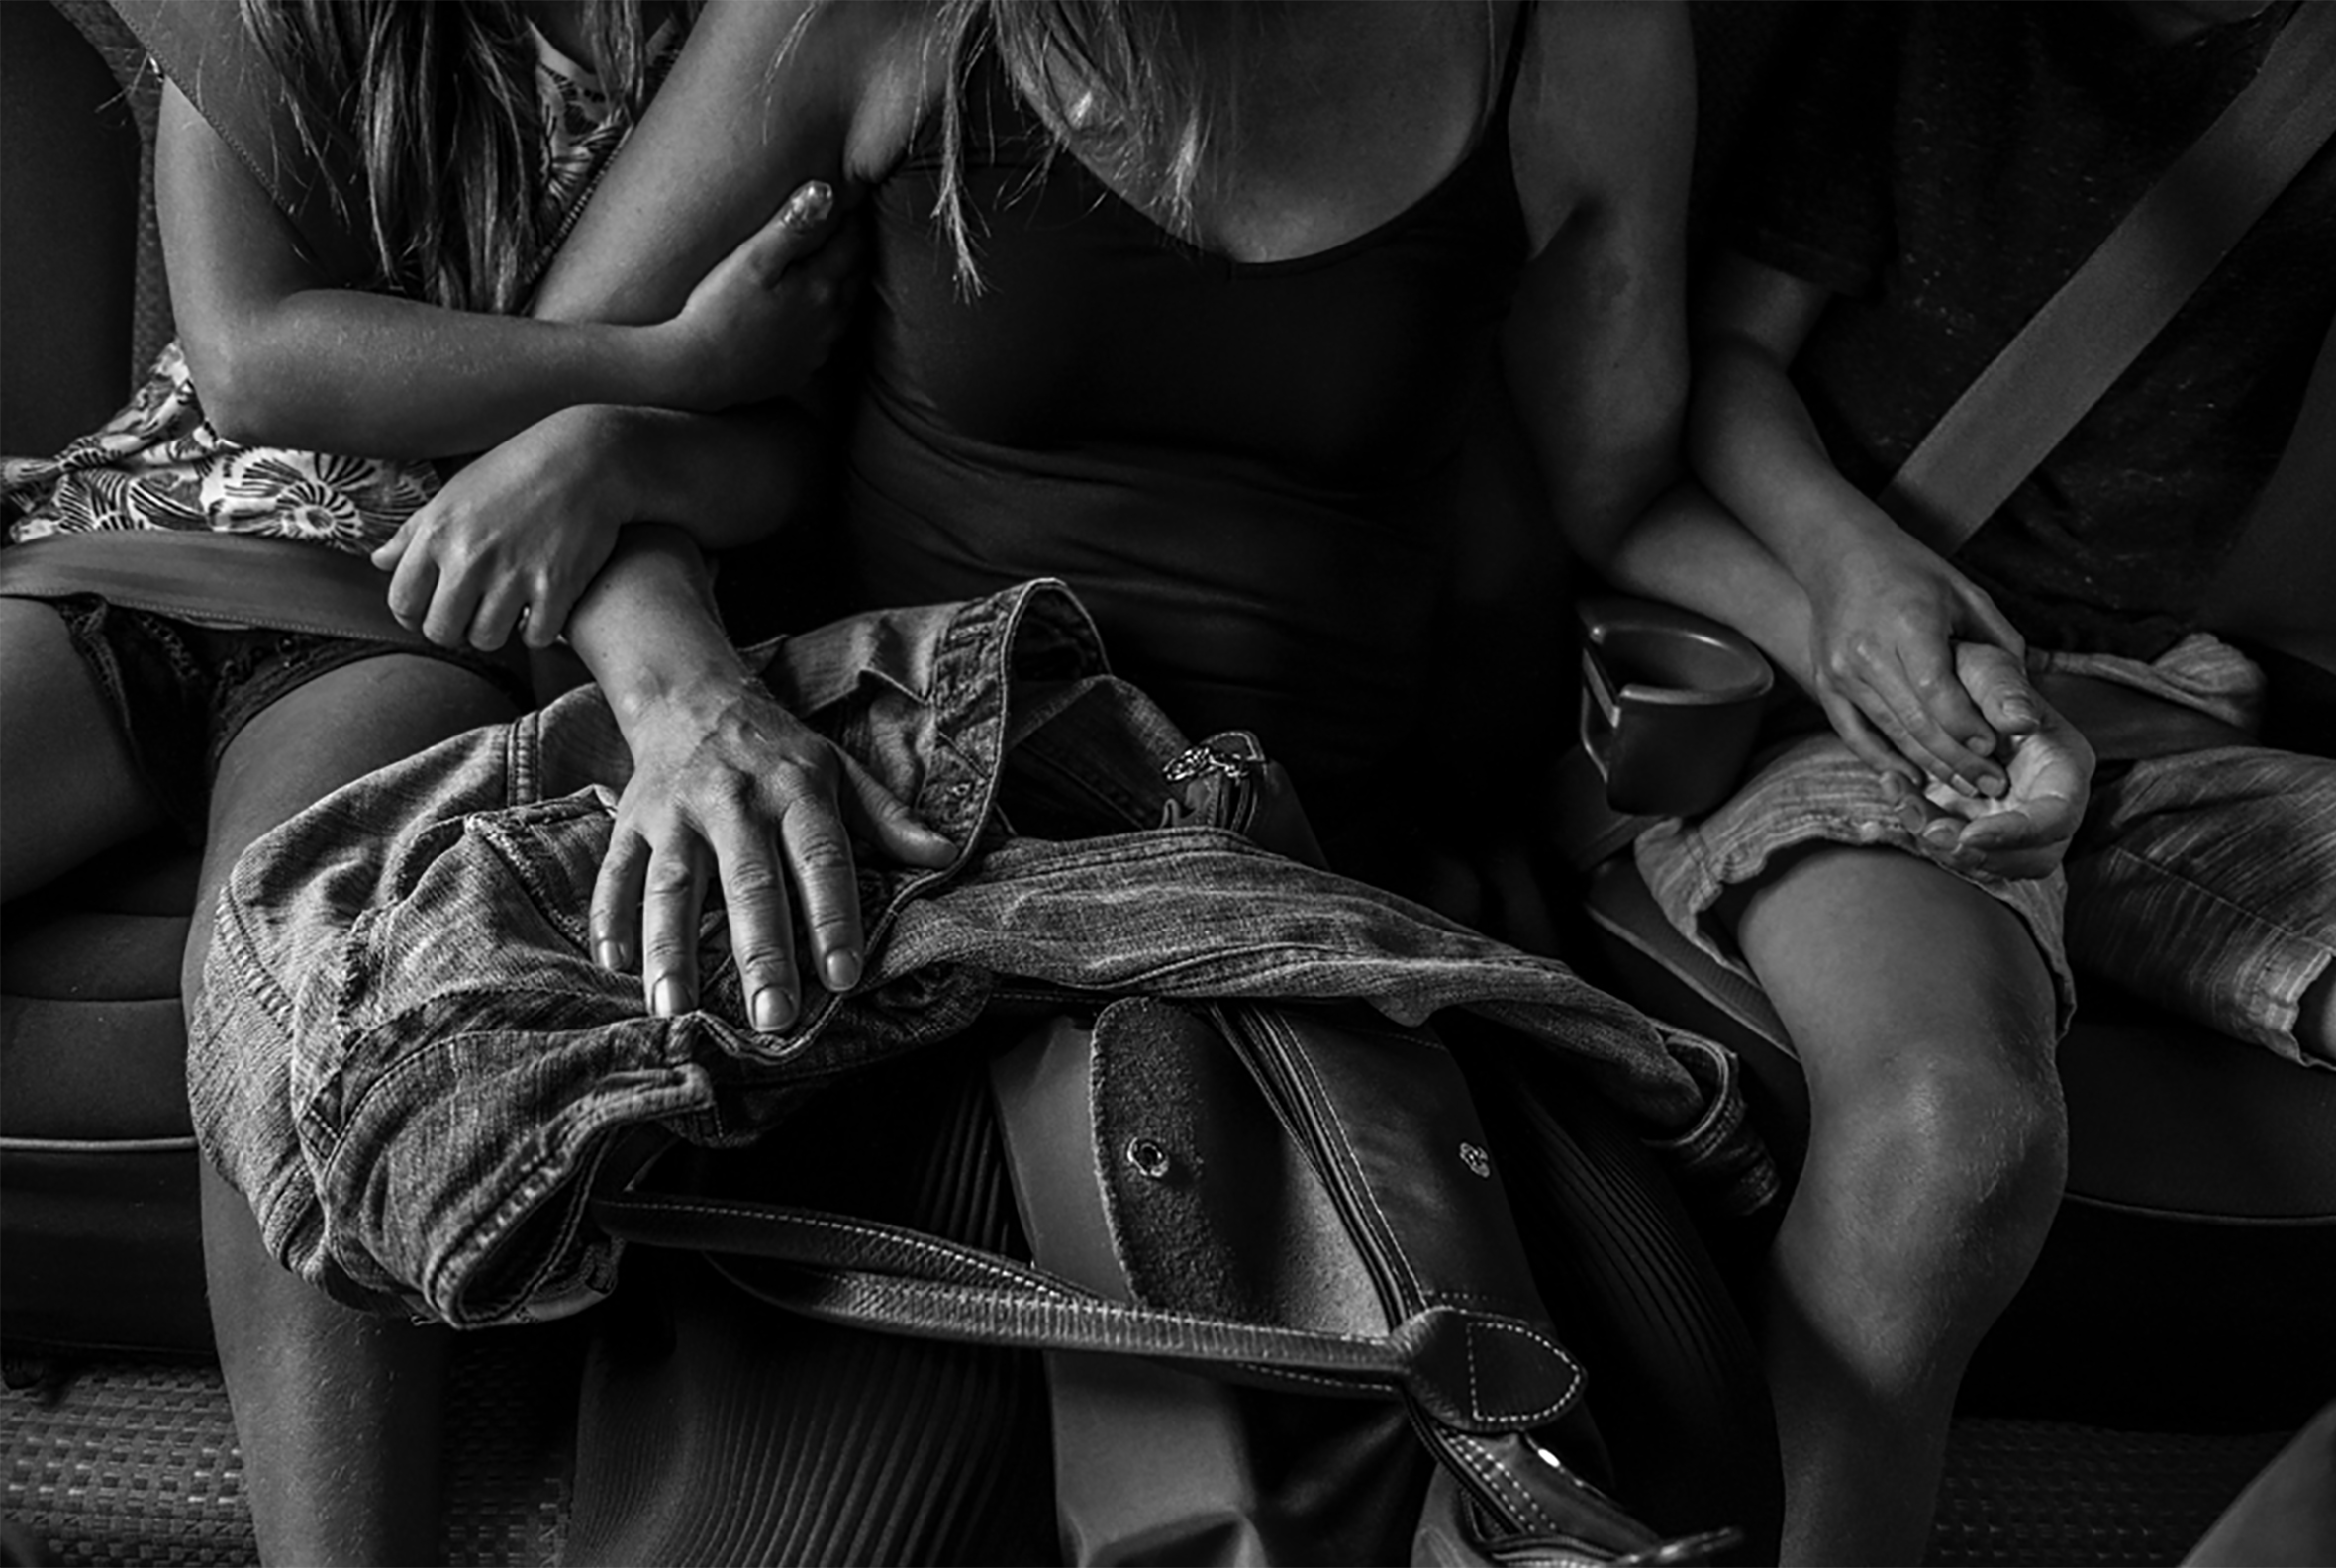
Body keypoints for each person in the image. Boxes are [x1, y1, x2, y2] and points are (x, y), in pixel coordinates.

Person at [321, 0, 1797, 1557]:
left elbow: (1623, 485)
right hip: (930, 857)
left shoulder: (1578, 35)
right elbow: (555, 424)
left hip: (1312, 895)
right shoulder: (870, 19)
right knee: (845, 1513)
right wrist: (687, 702)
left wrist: (1864, 609)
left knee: (1645, 1428)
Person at [0, 1, 858, 1559]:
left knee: (292, 979)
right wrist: (657, 361)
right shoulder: (286, 16)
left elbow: (783, 446)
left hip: (403, 626)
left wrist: (651, 422)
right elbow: (258, 360)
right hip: (136, 550)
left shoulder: (753, 55)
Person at [1580, 1, 2334, 1560]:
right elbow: (1727, 360)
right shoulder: (1928, 29)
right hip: (1832, 675)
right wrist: (1859, 578)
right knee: (1958, 1133)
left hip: (2165, 702)